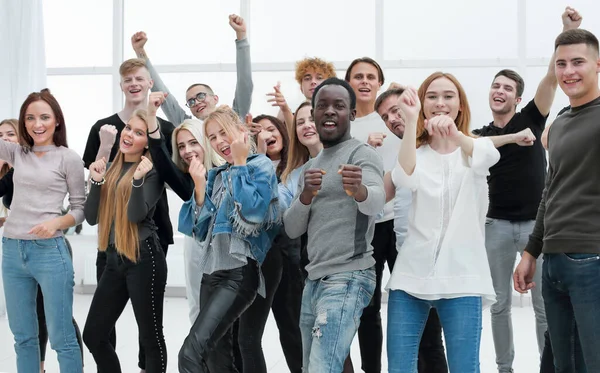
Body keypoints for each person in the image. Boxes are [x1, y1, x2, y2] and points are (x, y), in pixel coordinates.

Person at [386, 71, 536, 372]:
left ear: (460, 106)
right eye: (432, 96)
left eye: (448, 96)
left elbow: (486, 155)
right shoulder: (417, 154)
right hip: (410, 276)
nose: (440, 103)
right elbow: (403, 177)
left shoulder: (474, 151)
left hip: (463, 277)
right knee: (400, 367)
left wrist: (455, 135)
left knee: (465, 367)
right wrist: (411, 119)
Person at [472, 8, 582, 372]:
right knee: (500, 305)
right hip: (497, 226)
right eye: (496, 85)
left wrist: (566, 33)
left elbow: (552, 79)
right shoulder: (483, 135)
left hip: (538, 228)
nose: (500, 91)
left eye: (508, 88)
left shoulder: (531, 118)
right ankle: (505, 368)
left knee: (544, 306)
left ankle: (546, 366)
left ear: (517, 98)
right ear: (489, 94)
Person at [284, 77, 385, 373]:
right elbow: (291, 229)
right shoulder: (311, 167)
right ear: (314, 113)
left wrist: (360, 191)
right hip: (314, 281)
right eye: (322, 105)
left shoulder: (361, 154)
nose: (329, 111)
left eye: (339, 106)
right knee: (322, 366)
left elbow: (376, 202)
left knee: (321, 368)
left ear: (351, 114)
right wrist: (304, 196)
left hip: (348, 276)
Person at [514, 27, 600, 372]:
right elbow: (551, 191)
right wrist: (531, 252)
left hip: (592, 258)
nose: (568, 72)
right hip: (554, 262)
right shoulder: (561, 122)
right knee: (564, 365)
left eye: (578, 62)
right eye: (561, 64)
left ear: (597, 65)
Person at [81, 58, 175, 372]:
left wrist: (136, 180)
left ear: (148, 141)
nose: (129, 134)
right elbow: (92, 218)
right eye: (128, 129)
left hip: (144, 256)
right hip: (113, 258)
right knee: (94, 334)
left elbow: (135, 214)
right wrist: (96, 180)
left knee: (150, 338)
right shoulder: (108, 169)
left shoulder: (150, 172)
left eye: (137, 132)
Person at [177, 105, 280, 373]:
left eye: (223, 133)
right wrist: (199, 187)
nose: (219, 142)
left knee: (189, 354)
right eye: (212, 137)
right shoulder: (216, 175)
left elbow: (254, 216)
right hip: (210, 275)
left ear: (240, 130)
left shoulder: (259, 166)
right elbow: (196, 229)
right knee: (217, 361)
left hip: (238, 274)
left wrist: (241, 164)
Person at [1, 89, 85, 372]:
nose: (37, 124)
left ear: (57, 121)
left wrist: (56, 222)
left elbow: (79, 209)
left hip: (50, 252)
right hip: (12, 251)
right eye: (30, 118)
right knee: (23, 338)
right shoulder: (17, 152)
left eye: (45, 117)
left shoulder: (68, 158)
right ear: (23, 123)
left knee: (62, 338)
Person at [375, 88, 449, 372]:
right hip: (405, 254)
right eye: (386, 117)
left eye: (395, 110)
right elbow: (380, 194)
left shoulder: (440, 145)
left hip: (432, 256)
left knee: (430, 340)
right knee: (413, 341)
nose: (392, 120)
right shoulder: (406, 154)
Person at [344, 56, 403, 373]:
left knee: (412, 299)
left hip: (399, 222)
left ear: (380, 83)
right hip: (364, 225)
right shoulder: (344, 126)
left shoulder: (392, 117)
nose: (364, 81)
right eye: (358, 76)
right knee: (368, 306)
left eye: (370, 76)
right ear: (349, 83)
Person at [131, 14, 253, 124]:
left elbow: (245, 84)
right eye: (191, 102)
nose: (197, 102)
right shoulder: (188, 127)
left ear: (215, 98)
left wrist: (241, 37)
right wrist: (140, 52)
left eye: (200, 96)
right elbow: (163, 96)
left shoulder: (234, 119)